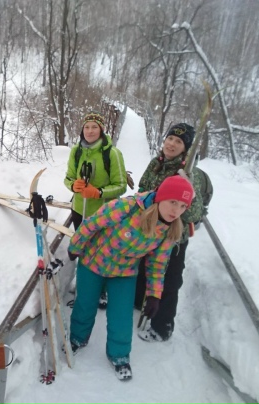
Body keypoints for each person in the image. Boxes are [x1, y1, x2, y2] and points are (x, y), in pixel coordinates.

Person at [67, 176, 194, 381]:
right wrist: (75, 246)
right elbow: (92, 224)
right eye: (173, 202)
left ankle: (119, 354)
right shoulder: (127, 207)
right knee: (85, 304)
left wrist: (154, 295)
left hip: (124, 272)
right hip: (93, 261)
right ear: (161, 197)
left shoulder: (170, 228)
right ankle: (77, 338)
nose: (176, 211)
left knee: (122, 314)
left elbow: (157, 263)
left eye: (182, 206)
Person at [134, 123, 204, 343]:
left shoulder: (191, 174)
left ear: (186, 148)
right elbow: (142, 188)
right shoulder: (156, 163)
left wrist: (189, 188)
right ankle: (140, 302)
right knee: (144, 269)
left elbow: (194, 214)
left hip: (173, 238)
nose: (172, 144)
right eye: (170, 138)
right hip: (149, 231)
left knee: (169, 280)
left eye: (179, 142)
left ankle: (162, 326)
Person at [64, 111, 127, 308]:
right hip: (79, 209)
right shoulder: (76, 151)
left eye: (94, 127)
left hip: (103, 214)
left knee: (101, 252)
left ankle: (101, 290)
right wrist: (73, 186)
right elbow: (68, 177)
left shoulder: (112, 153)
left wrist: (98, 192)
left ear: (101, 130)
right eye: (87, 127)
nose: (90, 131)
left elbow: (121, 185)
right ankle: (84, 286)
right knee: (82, 248)